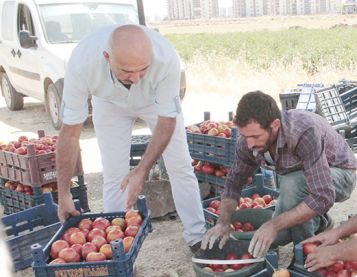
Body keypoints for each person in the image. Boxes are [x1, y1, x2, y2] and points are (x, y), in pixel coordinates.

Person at [55, 24, 206, 251]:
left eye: (143, 69)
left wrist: (141, 170)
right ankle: (116, 248)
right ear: (107, 57)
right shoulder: (81, 64)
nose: (135, 78)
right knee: (114, 173)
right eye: (127, 71)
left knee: (181, 166)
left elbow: (167, 121)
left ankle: (197, 237)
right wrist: (64, 192)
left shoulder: (166, 58)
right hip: (108, 103)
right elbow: (69, 135)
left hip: (154, 100)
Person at [201, 91, 357, 258]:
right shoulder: (247, 142)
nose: (250, 143)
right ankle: (320, 223)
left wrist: (274, 225)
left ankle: (305, 256)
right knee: (282, 232)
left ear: (275, 125)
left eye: (255, 136)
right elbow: (234, 183)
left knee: (291, 187)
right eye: (245, 136)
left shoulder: (303, 132)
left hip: (341, 173)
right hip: (305, 177)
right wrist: (223, 222)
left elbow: (322, 195)